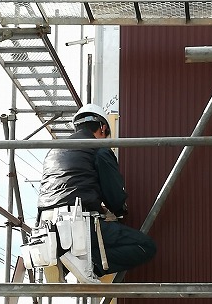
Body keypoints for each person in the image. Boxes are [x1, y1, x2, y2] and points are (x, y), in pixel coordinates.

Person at [37, 103, 156, 283]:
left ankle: (60, 261)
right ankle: (91, 265)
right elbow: (114, 196)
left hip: (45, 225)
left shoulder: (54, 151)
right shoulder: (99, 148)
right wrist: (119, 209)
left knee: (73, 245)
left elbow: (68, 188)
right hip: (78, 222)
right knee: (146, 246)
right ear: (102, 127)